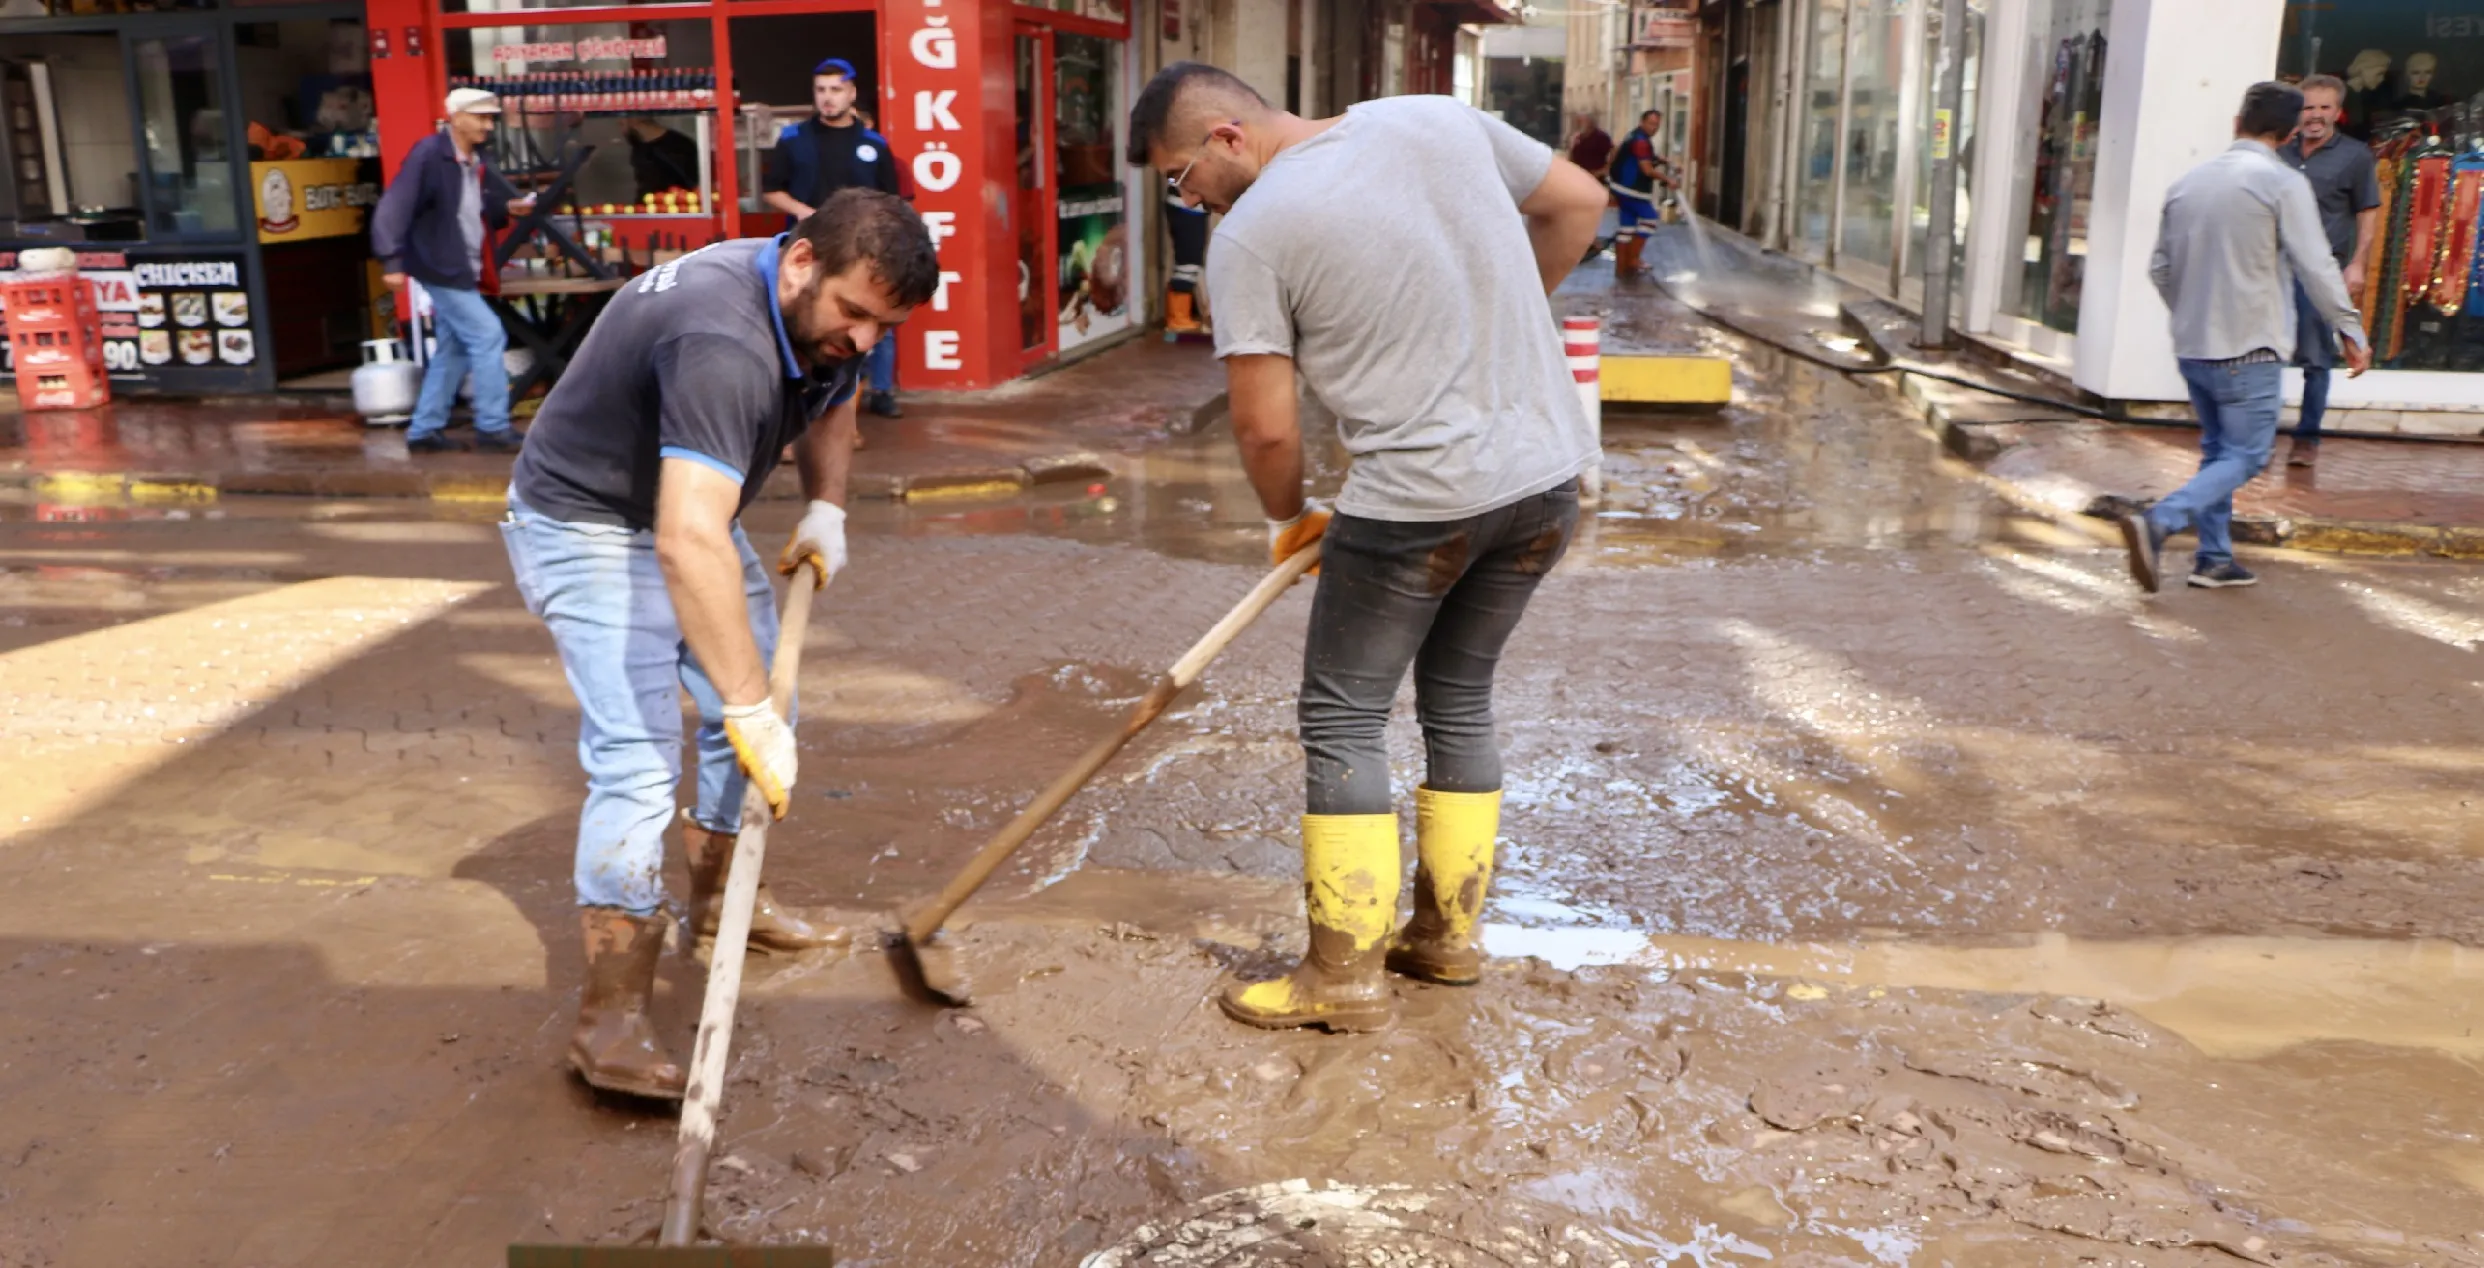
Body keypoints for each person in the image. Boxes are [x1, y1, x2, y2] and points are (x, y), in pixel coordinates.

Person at [1127, 64, 1606, 1033]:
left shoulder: (1252, 233)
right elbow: (1578, 201)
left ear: (1227, 138)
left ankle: (1340, 974)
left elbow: (1265, 428)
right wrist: (1494, 326)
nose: (1186, 199)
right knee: (1459, 695)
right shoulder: (1434, 119)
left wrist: (1286, 516)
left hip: (1418, 501)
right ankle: (1445, 939)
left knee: (1343, 716)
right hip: (1549, 477)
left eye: (1181, 177)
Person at [501, 189, 938, 1098]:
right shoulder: (721, 339)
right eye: (854, 314)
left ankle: (723, 910)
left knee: (767, 702)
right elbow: (684, 538)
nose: (861, 338)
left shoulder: (815, 313)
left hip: (684, 512)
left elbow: (832, 395)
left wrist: (826, 507)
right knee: (638, 760)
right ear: (802, 261)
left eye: (881, 326)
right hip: (584, 522)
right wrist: (741, 703)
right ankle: (607, 1020)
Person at [2123, 82, 2370, 595]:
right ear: (2286, 135)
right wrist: (2348, 328)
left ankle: (2214, 559)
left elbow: (2161, 268)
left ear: (2237, 122)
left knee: (2218, 452)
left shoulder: (2187, 183)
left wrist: (2193, 313)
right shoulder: (2280, 183)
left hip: (2194, 348)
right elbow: (2317, 266)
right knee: (2248, 455)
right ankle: (2160, 521)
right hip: (2248, 349)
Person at [371, 88, 536, 454]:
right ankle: (492, 427)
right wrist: (392, 260)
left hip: (458, 265)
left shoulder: (470, 159)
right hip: (441, 266)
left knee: (455, 348)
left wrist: (508, 206)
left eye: (491, 118)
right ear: (457, 116)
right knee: (488, 334)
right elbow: (394, 206)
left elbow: (473, 209)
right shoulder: (430, 154)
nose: (487, 126)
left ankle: (424, 430)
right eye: (481, 117)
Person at [762, 58, 906, 420]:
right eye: (821, 90)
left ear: (851, 93)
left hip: (864, 249)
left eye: (836, 90)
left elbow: (894, 200)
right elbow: (771, 190)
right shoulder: (793, 139)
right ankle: (798, 398)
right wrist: (802, 211)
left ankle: (881, 392)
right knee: (803, 318)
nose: (828, 98)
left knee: (875, 317)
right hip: (808, 246)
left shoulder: (874, 143)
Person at [2277, 75, 2381, 470]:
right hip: (2272, 267)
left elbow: (2367, 211)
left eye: (2324, 108)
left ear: (2338, 112)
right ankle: (2256, 434)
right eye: (2308, 107)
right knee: (2261, 351)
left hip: (2320, 270)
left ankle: (2306, 439)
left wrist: (2358, 263)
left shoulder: (2355, 156)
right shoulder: (2279, 151)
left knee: (2316, 357)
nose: (2315, 116)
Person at [1608, 110, 1671, 277]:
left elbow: (1637, 160)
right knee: (1650, 219)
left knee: (1626, 229)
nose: (1654, 128)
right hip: (1633, 191)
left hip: (1620, 188)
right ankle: (1633, 259)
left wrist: (1658, 159)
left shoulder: (1634, 136)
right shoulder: (1641, 141)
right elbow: (1646, 170)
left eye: (1657, 125)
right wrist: (1668, 180)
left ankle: (1621, 269)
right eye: (1651, 123)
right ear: (1642, 122)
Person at [624, 116, 701, 201]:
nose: (620, 127)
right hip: (646, 208)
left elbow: (693, 184)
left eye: (622, 122)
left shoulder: (679, 146)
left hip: (674, 207)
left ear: (634, 120)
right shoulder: (639, 145)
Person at [1565, 112, 1614, 179]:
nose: (1579, 124)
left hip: (1594, 177)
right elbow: (1571, 156)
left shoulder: (1601, 136)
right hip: (1578, 176)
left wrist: (1604, 169)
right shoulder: (1577, 137)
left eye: (1582, 121)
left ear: (1591, 123)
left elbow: (1613, 150)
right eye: (1578, 122)